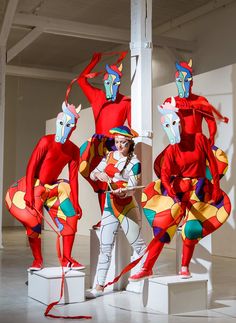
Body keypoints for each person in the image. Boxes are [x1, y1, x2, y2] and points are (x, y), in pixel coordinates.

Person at [129, 100, 231, 281]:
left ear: (181, 122)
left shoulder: (199, 139)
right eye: (167, 125)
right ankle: (147, 267)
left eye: (174, 123)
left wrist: (216, 186)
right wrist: (172, 193)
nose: (172, 128)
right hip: (178, 189)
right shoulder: (171, 150)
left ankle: (184, 266)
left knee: (191, 229)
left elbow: (212, 164)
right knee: (162, 229)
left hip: (199, 190)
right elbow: (166, 176)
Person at [5, 102, 84, 271]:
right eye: (63, 124)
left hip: (53, 189)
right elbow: (31, 166)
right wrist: (27, 190)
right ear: (58, 122)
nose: (65, 128)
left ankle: (67, 258)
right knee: (33, 222)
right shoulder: (45, 142)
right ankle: (37, 260)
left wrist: (76, 202)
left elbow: (73, 178)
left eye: (69, 125)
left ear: (74, 128)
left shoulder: (73, 150)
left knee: (70, 216)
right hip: (35, 185)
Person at [86, 126, 147, 297]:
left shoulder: (135, 163)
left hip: (126, 207)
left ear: (130, 144)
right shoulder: (109, 156)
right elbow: (92, 173)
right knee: (105, 247)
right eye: (117, 142)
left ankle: (147, 279)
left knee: (139, 246)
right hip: (109, 206)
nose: (119, 146)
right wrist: (99, 175)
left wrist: (123, 190)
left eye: (123, 143)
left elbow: (132, 189)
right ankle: (99, 287)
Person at [78, 52, 131, 227]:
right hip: (97, 144)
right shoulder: (98, 97)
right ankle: (106, 218)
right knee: (97, 180)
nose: (110, 86)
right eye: (107, 82)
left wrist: (127, 148)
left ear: (119, 83)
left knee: (111, 184)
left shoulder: (125, 102)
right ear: (104, 82)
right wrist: (93, 63)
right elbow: (81, 81)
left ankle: (111, 219)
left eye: (114, 83)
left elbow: (131, 127)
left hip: (115, 147)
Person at [154, 59, 228, 179]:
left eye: (187, 81)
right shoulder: (170, 101)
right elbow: (166, 123)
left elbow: (211, 121)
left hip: (197, 143)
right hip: (179, 144)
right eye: (179, 81)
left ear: (191, 82)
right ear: (176, 82)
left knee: (199, 176)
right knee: (174, 175)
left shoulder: (201, 101)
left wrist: (212, 137)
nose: (183, 85)